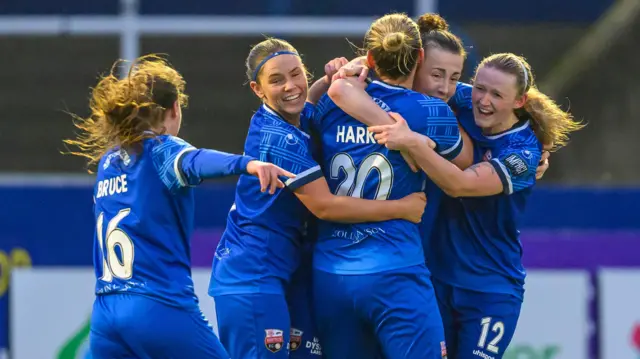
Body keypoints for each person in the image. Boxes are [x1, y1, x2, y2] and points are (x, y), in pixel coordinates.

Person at [207, 38, 427, 359]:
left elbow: (305, 103)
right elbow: (325, 205)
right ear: (257, 89)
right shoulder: (277, 138)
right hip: (252, 276)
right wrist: (401, 208)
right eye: (276, 80)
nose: (291, 86)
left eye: (296, 74)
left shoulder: (292, 118)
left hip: (286, 271)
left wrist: (334, 77)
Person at [64, 54, 293, 359]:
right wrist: (247, 163)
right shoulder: (161, 149)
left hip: (106, 314)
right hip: (157, 306)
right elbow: (194, 161)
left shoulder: (109, 162)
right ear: (174, 108)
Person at [367, 52, 584, 359]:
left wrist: (414, 143)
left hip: (490, 290)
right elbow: (405, 81)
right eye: (479, 87)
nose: (483, 100)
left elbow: (460, 185)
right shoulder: (464, 99)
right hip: (435, 279)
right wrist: (355, 68)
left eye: (497, 94)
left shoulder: (522, 153)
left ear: (519, 102)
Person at [311, 13, 470, 359]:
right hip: (395, 273)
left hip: (330, 274)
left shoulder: (330, 103)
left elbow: (307, 118)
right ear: (420, 58)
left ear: (369, 57)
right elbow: (466, 161)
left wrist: (342, 76)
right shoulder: (429, 112)